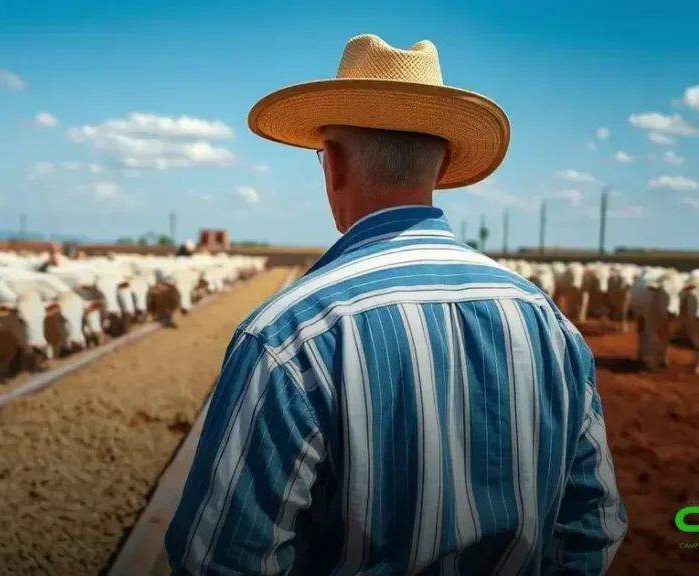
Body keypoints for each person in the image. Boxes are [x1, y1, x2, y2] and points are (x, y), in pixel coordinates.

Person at [165, 34, 627, 575]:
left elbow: (219, 560)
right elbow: (593, 525)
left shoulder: (289, 337)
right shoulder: (546, 321)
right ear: (443, 166)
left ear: (334, 166)